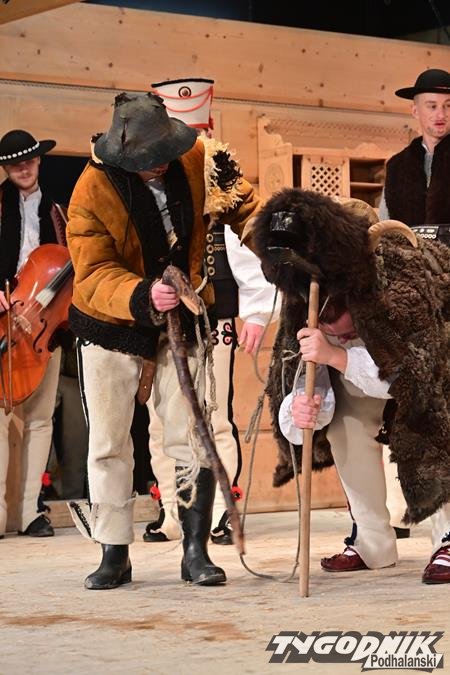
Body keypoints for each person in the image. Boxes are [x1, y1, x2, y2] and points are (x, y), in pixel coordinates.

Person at [66, 91, 260, 589]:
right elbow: (92, 271)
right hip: (111, 325)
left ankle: (195, 550)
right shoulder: (91, 188)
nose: (160, 165)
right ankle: (114, 552)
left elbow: (245, 207)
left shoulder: (199, 158)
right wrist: (141, 294)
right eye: (149, 159)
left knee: (192, 435)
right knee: (109, 443)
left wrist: (279, 239)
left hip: (184, 318)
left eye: (165, 154)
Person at [251, 187, 450, 584]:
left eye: (342, 327)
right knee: (344, 423)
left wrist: (337, 355)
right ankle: (371, 541)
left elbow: (417, 377)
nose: (333, 330)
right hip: (368, 371)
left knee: (436, 420)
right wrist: (303, 407)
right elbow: (300, 382)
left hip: (437, 370)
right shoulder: (302, 297)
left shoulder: (400, 284)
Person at [143, 77, 279, 546]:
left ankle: (221, 508)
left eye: (197, 132)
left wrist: (256, 312)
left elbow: (248, 243)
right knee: (161, 418)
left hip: (214, 311)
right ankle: (172, 510)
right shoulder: (146, 177)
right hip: (158, 311)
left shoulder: (221, 173)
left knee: (213, 410)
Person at [379, 67, 450, 536]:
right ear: (415, 110)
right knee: (404, 397)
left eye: (447, 106)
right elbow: (384, 225)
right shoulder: (397, 166)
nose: (440, 114)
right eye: (431, 106)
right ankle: (408, 507)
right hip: (408, 295)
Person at [0, 129, 66, 538]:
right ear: (6, 169)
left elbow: (72, 267)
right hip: (4, 321)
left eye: (28, 161)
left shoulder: (59, 210)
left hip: (45, 326)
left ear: (39, 160)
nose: (23, 169)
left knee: (40, 419)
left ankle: (29, 512)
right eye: (14, 164)